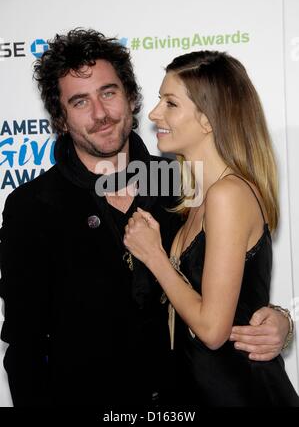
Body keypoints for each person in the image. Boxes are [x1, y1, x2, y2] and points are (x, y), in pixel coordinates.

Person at [0, 30, 291, 408]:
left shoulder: (184, 182)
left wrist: (280, 323)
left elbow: (230, 284)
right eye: (80, 102)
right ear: (60, 117)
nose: (100, 113)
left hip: (189, 400)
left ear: (131, 97)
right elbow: (24, 345)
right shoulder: (32, 206)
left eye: (108, 93)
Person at [124, 50, 299, 407]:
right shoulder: (195, 196)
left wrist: (155, 256)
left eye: (170, 103)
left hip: (240, 394)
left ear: (208, 119)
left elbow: (213, 330)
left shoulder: (228, 195)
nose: (155, 113)